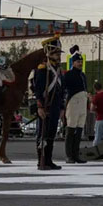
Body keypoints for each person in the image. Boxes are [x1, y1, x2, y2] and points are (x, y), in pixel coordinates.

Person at [34, 35, 66, 170]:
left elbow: (61, 90)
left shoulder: (58, 69)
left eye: (59, 53)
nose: (59, 56)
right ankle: (41, 160)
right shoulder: (42, 69)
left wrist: (62, 107)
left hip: (55, 106)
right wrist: (39, 106)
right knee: (43, 134)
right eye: (56, 53)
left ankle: (48, 159)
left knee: (51, 133)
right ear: (49, 54)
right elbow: (37, 89)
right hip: (45, 105)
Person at [63, 45, 88, 164]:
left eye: (81, 61)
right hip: (73, 102)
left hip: (82, 102)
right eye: (78, 61)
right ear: (73, 63)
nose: (80, 63)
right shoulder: (68, 75)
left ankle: (75, 154)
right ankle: (69, 155)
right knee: (71, 129)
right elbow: (63, 89)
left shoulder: (83, 75)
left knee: (79, 130)